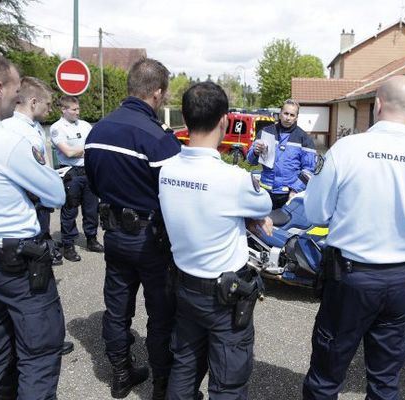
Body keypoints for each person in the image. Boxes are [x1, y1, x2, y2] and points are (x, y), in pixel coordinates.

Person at [301, 75, 405, 399]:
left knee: (328, 373)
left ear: (378, 106)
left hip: (351, 279)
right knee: (386, 378)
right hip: (404, 279)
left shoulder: (346, 150)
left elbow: (315, 214)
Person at [159, 81, 272, 399]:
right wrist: (248, 215)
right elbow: (264, 205)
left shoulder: (166, 171)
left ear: (183, 115)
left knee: (184, 366)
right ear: (225, 120)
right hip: (225, 297)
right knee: (228, 381)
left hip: (185, 285)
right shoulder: (233, 179)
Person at [84, 58, 181, 399]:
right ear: (157, 93)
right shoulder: (159, 139)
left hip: (114, 235)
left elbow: (92, 184)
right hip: (151, 240)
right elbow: (176, 195)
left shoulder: (97, 131)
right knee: (160, 315)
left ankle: (121, 373)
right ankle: (161, 385)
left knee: (117, 308)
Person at [0, 50, 66, 399]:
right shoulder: (8, 142)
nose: (17, 95)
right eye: (13, 88)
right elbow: (55, 194)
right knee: (39, 354)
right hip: (18, 266)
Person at [2, 77, 76, 357]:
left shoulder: (0, 126)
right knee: (36, 295)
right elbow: (51, 194)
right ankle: (44, 346)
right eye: (46, 104)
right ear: (32, 102)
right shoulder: (30, 135)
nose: (49, 110)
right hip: (24, 222)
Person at [51, 95, 103, 262]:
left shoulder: (86, 125)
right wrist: (88, 148)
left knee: (91, 208)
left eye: (78, 109)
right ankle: (68, 244)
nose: (77, 112)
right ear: (63, 110)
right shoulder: (57, 128)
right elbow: (68, 152)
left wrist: (83, 149)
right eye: (74, 109)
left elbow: (95, 145)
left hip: (88, 171)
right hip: (70, 173)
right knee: (70, 210)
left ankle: (91, 239)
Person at [246, 98, 316, 209]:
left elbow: (309, 170)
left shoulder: (304, 138)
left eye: (292, 115)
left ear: (296, 117)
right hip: (265, 192)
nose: (288, 118)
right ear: (280, 114)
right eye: (286, 113)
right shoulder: (265, 132)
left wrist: (295, 190)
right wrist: (255, 152)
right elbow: (250, 160)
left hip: (289, 196)